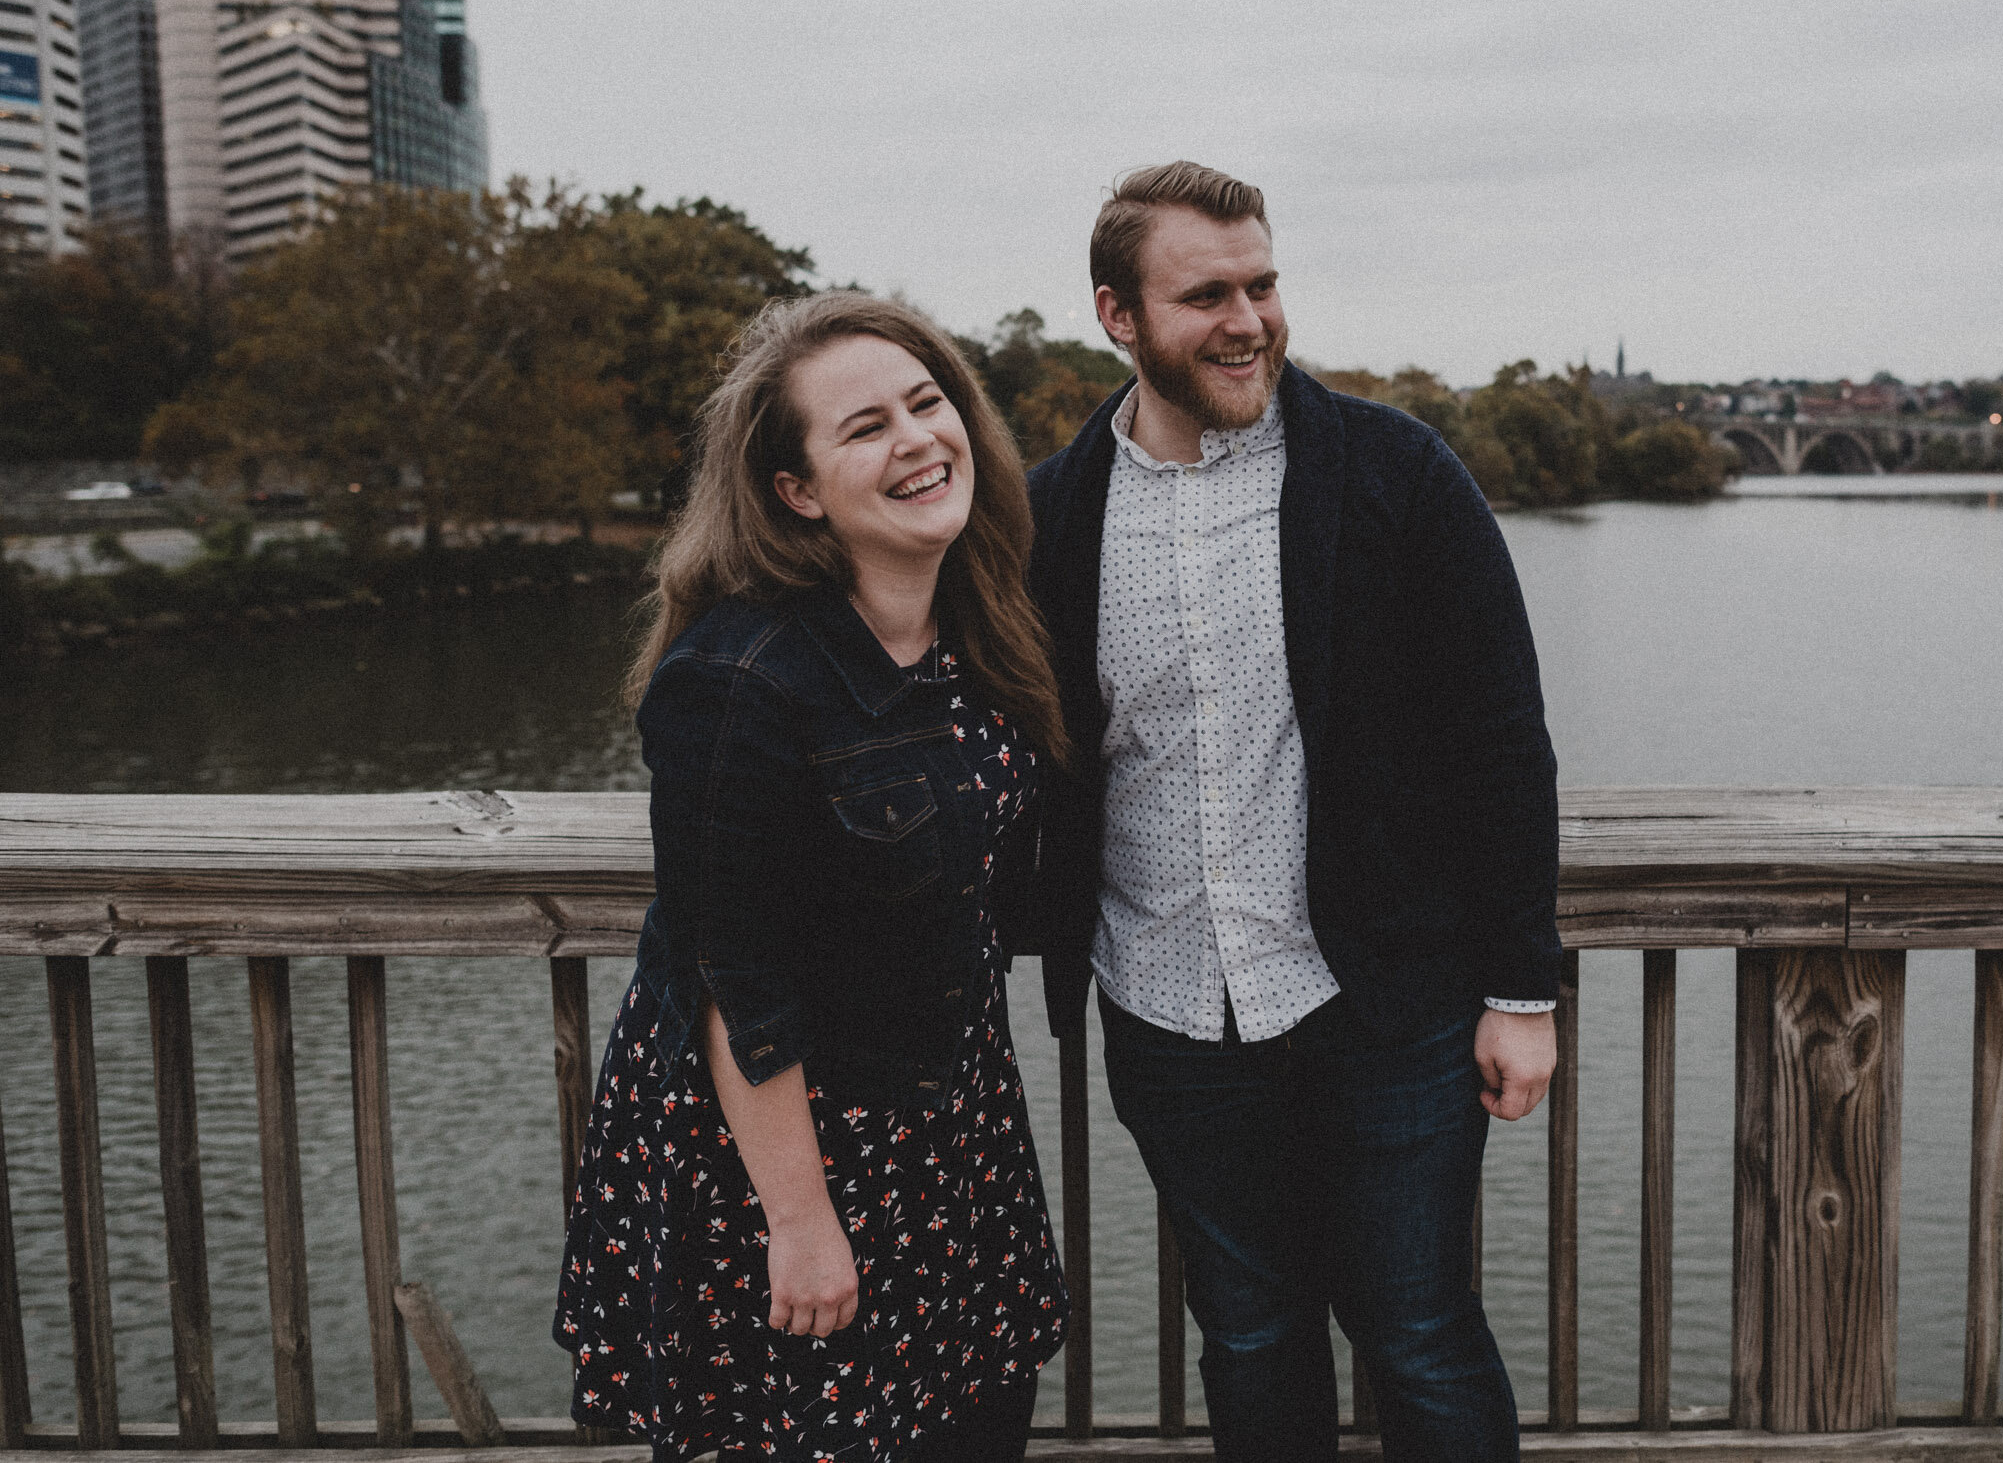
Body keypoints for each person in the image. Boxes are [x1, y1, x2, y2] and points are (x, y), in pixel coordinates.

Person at [1024, 162, 1563, 1460]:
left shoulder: (1395, 472)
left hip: (1385, 1005)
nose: (1249, 318)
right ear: (1118, 315)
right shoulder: (1051, 512)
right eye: (1205, 293)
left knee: (1418, 1328)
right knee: (1252, 1334)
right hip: (1167, 1011)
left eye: (1262, 283)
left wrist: (1522, 991)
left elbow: (1503, 738)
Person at [555, 293, 1068, 1462]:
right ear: (796, 490)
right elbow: (733, 971)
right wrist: (800, 1222)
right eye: (865, 427)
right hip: (786, 1155)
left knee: (974, 1431)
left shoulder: (975, 636)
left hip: (949, 1128)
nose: (917, 440)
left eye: (928, 404)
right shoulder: (739, 678)